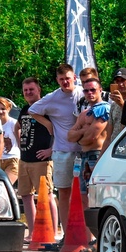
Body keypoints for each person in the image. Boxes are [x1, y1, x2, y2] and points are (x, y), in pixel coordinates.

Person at [28, 64, 82, 227]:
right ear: (57, 80)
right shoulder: (53, 97)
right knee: (64, 192)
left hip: (83, 152)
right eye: (61, 79)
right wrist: (48, 124)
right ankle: (67, 233)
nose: (65, 82)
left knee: (83, 194)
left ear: (74, 77)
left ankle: (86, 234)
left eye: (67, 78)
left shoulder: (83, 93)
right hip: (62, 151)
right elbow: (32, 110)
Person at [66, 72, 112, 235]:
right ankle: (93, 237)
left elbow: (92, 136)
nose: (89, 93)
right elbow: (69, 135)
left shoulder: (104, 109)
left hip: (96, 156)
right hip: (84, 158)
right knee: (84, 198)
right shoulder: (85, 113)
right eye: (86, 91)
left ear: (100, 90)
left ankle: (100, 236)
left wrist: (81, 134)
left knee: (96, 199)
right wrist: (82, 133)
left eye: (92, 90)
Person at [18, 76, 57, 242]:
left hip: (42, 160)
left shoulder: (46, 108)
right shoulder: (24, 109)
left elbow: (57, 129)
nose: (28, 93)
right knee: (26, 196)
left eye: (31, 90)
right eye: (25, 90)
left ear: (39, 90)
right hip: (24, 158)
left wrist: (51, 150)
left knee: (46, 196)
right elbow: (17, 126)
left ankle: (53, 233)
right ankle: (33, 233)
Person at [0, 97, 19, 187]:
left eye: (3, 109)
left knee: (6, 186)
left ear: (8, 109)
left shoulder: (13, 123)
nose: (0, 111)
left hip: (12, 159)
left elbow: (21, 141)